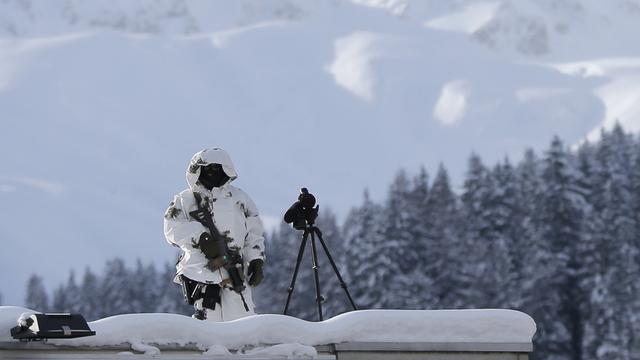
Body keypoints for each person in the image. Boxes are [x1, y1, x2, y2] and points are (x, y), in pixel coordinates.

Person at [164, 148, 265, 321]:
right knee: (208, 328)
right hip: (201, 272)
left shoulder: (239, 199)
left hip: (236, 271)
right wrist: (201, 238)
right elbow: (171, 228)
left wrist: (256, 259)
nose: (212, 173)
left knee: (243, 323)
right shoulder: (185, 199)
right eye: (207, 168)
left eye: (217, 168)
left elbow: (253, 232)